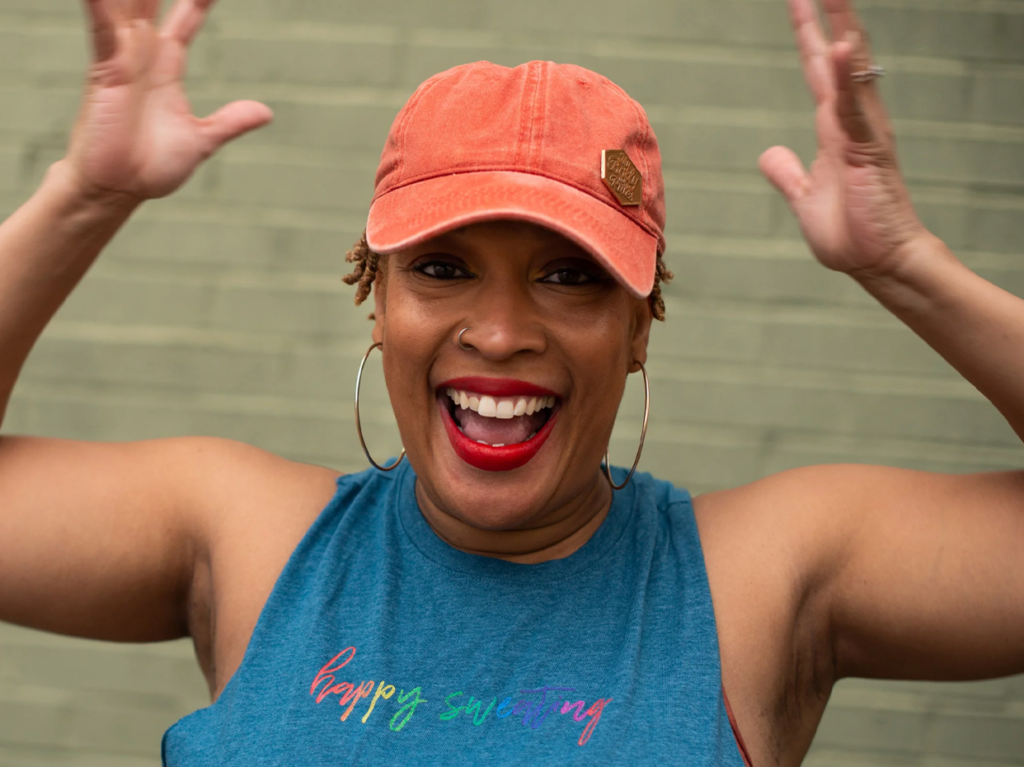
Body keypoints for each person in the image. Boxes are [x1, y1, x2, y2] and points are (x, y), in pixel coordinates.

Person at [0, 0, 1021, 764]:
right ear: (378, 299)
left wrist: (907, 268)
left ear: (637, 328)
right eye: (442, 268)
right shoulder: (253, 539)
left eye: (570, 277)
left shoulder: (758, 580)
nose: (498, 331)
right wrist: (83, 198)